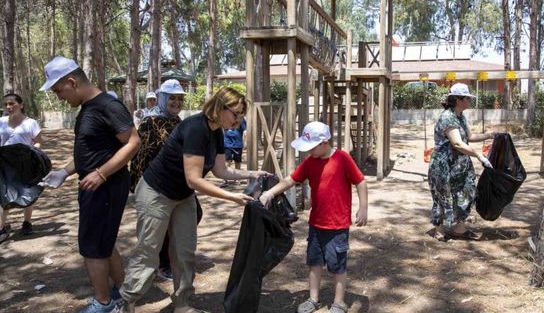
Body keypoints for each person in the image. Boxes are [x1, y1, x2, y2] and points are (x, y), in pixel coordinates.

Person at [115, 87, 268, 313]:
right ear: (219, 107)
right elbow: (194, 180)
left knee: (184, 251)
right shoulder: (196, 128)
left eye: (241, 115)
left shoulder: (216, 131)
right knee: (149, 251)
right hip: (156, 193)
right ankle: (126, 302)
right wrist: (232, 197)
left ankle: (183, 304)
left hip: (182, 196)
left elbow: (220, 171)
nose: (238, 120)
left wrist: (251, 173)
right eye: (235, 114)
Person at [38, 56, 141, 313]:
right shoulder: (87, 108)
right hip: (95, 185)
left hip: (106, 187)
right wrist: (64, 171)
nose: (59, 96)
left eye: (58, 90)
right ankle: (120, 291)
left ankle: (104, 303)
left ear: (71, 82)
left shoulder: (107, 105)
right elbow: (93, 150)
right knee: (103, 242)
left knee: (93, 247)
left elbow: (133, 142)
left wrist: (101, 174)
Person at [259, 121, 368, 313]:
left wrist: (363, 208)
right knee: (314, 262)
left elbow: (360, 182)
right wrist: (270, 193)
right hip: (316, 224)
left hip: (337, 226)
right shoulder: (310, 162)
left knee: (337, 266)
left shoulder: (342, 158)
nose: (307, 152)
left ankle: (339, 302)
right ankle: (313, 299)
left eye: (311, 147)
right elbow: (290, 180)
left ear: (324, 143)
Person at [129, 79, 193, 281]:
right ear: (162, 99)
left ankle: (167, 261)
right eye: (172, 98)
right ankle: (158, 266)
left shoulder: (178, 121)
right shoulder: (150, 122)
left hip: (176, 184)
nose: (176, 102)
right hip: (153, 186)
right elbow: (139, 157)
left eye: (180, 99)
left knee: (180, 223)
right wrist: (139, 186)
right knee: (155, 229)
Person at [427, 83, 494, 242]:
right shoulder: (447, 117)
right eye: (467, 98)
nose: (470, 101)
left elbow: (469, 137)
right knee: (444, 195)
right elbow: (457, 143)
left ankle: (459, 229)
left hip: (460, 164)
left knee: (467, 191)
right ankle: (440, 230)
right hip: (445, 165)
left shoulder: (460, 116)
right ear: (458, 100)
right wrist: (478, 155)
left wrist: (490, 135)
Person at [0, 93, 43, 242]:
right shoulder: (1, 121)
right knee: (3, 194)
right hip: (4, 163)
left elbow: (37, 142)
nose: (8, 107)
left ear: (21, 105)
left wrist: (33, 152)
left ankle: (27, 223)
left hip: (25, 162)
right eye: (6, 104)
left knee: (27, 192)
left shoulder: (31, 123)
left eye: (12, 103)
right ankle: (2, 228)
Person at [222, 117, 247, 187]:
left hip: (238, 145)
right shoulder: (226, 117)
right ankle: (225, 179)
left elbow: (245, 131)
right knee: (227, 161)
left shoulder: (241, 119)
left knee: (237, 162)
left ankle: (237, 179)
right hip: (227, 144)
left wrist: (245, 142)